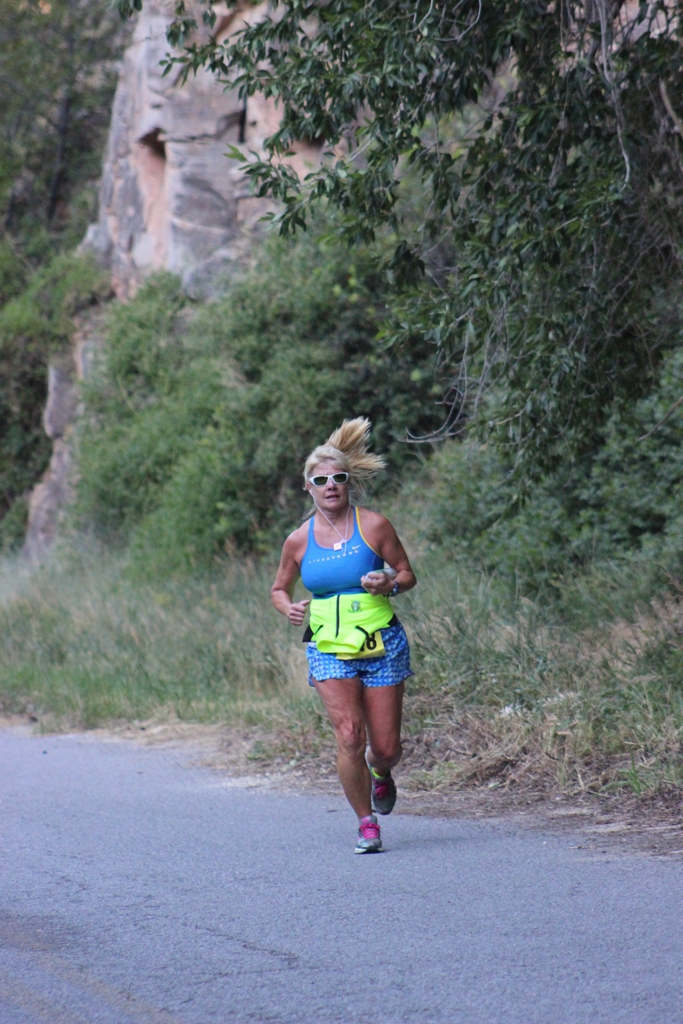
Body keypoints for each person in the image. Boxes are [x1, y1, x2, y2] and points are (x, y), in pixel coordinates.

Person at [271, 418, 417, 853]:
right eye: (321, 480)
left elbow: (408, 574)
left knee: (385, 748)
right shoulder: (297, 540)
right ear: (309, 488)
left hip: (381, 643)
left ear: (348, 482)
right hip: (329, 646)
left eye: (338, 478)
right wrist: (289, 606)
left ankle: (381, 772)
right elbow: (279, 588)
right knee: (350, 735)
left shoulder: (374, 526)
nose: (331, 485)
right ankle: (365, 822)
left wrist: (389, 583)